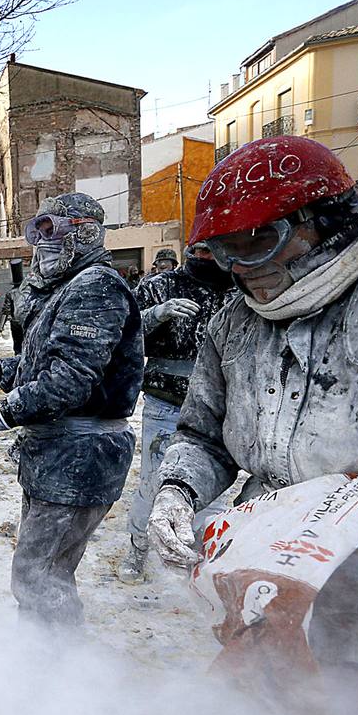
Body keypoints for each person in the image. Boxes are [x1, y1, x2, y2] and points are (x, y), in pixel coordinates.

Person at [147, 136, 358, 688]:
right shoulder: (232, 324)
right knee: (275, 713)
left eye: (260, 240)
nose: (242, 267)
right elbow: (202, 434)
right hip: (269, 557)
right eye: (225, 250)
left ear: (325, 222)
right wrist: (178, 490)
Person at [0, 193, 143, 626]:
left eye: (52, 231)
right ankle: (45, 664)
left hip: (81, 451)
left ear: (85, 230)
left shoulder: (95, 286)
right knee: (43, 571)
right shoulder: (64, 290)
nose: (42, 245)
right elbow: (38, 366)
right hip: (56, 451)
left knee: (39, 575)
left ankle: (55, 672)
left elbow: (68, 381)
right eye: (38, 234)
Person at [116, 240, 236, 584]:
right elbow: (119, 333)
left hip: (221, 406)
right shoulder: (159, 286)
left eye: (216, 251)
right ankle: (138, 547)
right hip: (167, 404)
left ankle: (198, 555)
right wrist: (156, 314)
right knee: (155, 481)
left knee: (210, 488)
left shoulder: (238, 286)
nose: (208, 259)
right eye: (202, 251)